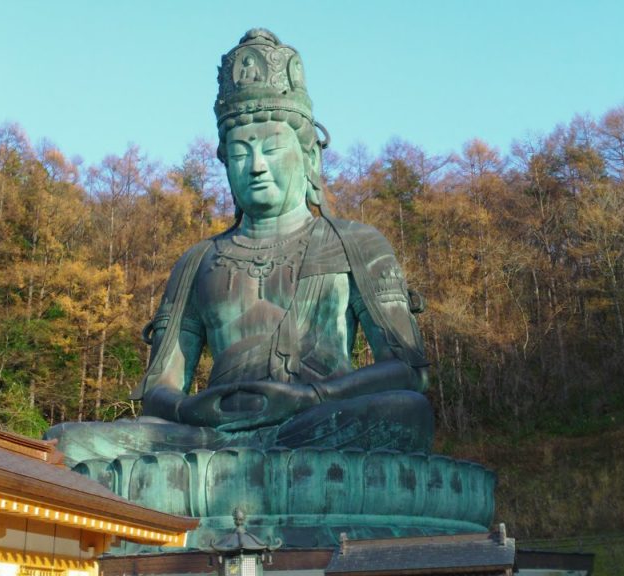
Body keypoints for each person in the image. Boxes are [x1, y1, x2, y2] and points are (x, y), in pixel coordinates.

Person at [46, 29, 433, 467]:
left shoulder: (355, 243)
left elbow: (407, 371)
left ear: (309, 157)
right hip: (209, 434)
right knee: (68, 442)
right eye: (241, 152)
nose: (257, 165)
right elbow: (159, 388)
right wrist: (191, 408)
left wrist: (312, 396)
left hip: (319, 420)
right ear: (225, 162)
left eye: (271, 148)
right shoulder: (198, 262)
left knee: (406, 412)